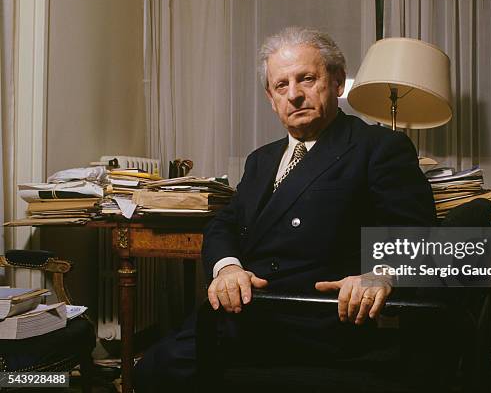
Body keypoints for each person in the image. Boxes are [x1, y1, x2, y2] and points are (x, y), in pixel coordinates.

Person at [134, 26, 436, 392]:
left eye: (306, 79)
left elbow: (418, 234)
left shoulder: (377, 147)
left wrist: (380, 274)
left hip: (315, 328)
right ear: (270, 97)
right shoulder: (261, 160)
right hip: (241, 317)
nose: (294, 95)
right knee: (151, 369)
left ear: (338, 82)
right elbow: (225, 223)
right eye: (281, 85)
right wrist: (228, 267)